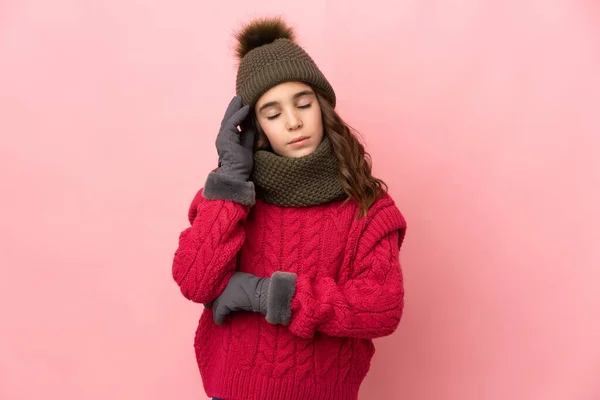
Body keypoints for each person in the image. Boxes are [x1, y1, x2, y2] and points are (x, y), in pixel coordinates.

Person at [172, 16, 407, 400]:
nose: (294, 122)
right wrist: (232, 176)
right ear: (254, 126)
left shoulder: (368, 206)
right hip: (230, 392)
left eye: (303, 104)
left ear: (323, 107)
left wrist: (268, 295)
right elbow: (195, 280)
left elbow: (381, 306)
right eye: (274, 113)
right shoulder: (230, 195)